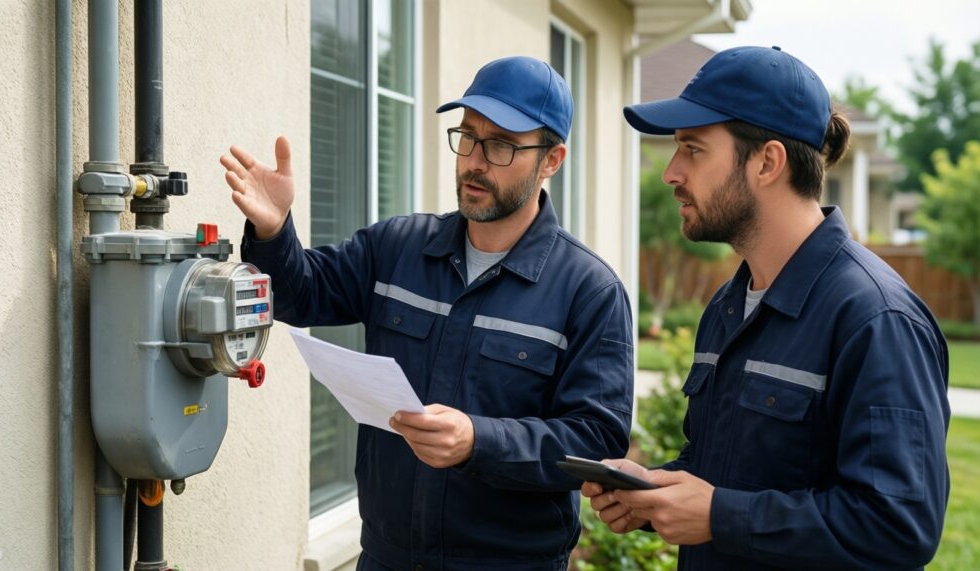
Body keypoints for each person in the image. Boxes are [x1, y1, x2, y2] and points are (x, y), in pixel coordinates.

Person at [222, 56, 634, 571]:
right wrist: (273, 230)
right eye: (468, 136)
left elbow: (595, 440)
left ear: (552, 160)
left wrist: (479, 440)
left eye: (501, 145)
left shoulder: (589, 291)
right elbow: (299, 295)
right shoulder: (398, 247)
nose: (474, 161)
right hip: (385, 558)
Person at [583, 46, 950, 570]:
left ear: (767, 162)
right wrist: (657, 492)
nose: (671, 173)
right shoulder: (727, 307)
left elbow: (898, 526)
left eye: (692, 149)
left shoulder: (876, 319)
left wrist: (719, 516)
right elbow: (725, 469)